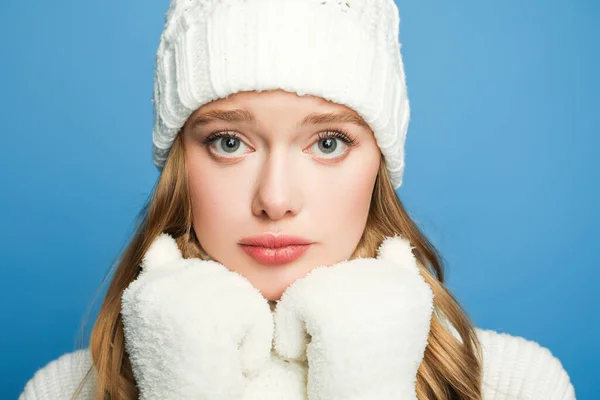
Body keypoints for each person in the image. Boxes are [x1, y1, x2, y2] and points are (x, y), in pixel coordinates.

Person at [19, 0, 576, 399]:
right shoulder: (63, 391)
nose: (276, 199)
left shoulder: (513, 383)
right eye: (229, 142)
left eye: (328, 143)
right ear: (180, 166)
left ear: (378, 166)